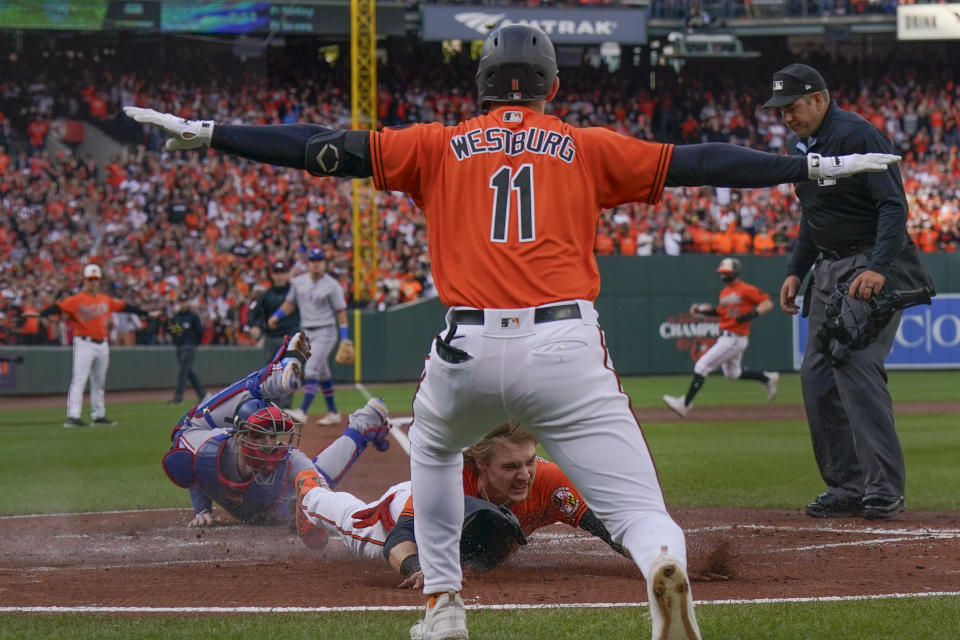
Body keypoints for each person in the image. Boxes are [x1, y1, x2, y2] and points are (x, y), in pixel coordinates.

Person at [125, 26, 898, 639]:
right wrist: (799, 170)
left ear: (481, 87)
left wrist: (215, 131)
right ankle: (661, 566)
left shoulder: (434, 142)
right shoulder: (586, 145)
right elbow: (701, 162)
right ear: (552, 87)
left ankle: (443, 607)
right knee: (637, 512)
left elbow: (319, 146)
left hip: (464, 344)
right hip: (566, 343)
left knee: (428, 448)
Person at [767, 63, 935, 521]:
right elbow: (812, 215)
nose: (785, 117)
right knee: (817, 378)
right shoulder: (803, 146)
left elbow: (892, 205)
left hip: (871, 260)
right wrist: (795, 271)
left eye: (792, 107)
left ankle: (884, 488)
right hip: (829, 266)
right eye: (779, 110)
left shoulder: (858, 135)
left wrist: (880, 267)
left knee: (856, 364)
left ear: (819, 99)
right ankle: (848, 486)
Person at [293, 422, 626, 588]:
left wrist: (649, 554)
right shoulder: (447, 478)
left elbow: (606, 526)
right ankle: (309, 492)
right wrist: (416, 568)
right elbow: (401, 537)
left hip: (451, 519)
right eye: (510, 467)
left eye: (529, 461)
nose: (525, 474)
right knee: (352, 521)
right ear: (481, 465)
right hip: (403, 520)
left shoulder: (548, 480)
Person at [162, 332, 391, 529]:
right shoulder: (211, 451)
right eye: (261, 434)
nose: (270, 442)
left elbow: (324, 496)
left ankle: (362, 425)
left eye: (274, 435)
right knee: (185, 430)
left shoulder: (289, 460)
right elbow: (192, 467)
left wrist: (315, 514)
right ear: (240, 437)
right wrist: (202, 511)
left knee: (311, 492)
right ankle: (273, 377)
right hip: (221, 446)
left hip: (274, 505)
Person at [32, 264, 158, 428]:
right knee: (79, 379)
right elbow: (58, 307)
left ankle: (99, 415)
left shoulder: (105, 299)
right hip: (84, 343)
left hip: (102, 344)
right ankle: (73, 415)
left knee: (99, 382)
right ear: (84, 280)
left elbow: (125, 307)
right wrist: (41, 314)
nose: (93, 282)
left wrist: (146, 313)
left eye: (96, 279)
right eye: (90, 279)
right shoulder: (76, 300)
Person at [662, 256, 779, 417]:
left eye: (726, 272)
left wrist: (750, 315)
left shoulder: (745, 289)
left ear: (735, 272)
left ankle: (685, 404)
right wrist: (701, 311)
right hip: (728, 336)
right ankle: (767, 378)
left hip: (734, 337)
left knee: (701, 366)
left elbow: (767, 303)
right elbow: (721, 312)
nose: (723, 275)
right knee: (733, 374)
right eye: (722, 272)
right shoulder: (725, 292)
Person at [267, 248, 348, 425]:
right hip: (307, 332)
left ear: (324, 263)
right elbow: (290, 304)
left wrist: (345, 338)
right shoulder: (298, 282)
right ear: (308, 262)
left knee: (311, 370)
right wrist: (276, 316)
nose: (316, 263)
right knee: (323, 373)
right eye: (313, 260)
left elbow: (341, 312)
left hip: (325, 330)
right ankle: (333, 412)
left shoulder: (332, 285)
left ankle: (302, 411)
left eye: (319, 260)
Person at [247, 258, 300, 411]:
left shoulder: (294, 292)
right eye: (276, 272)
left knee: (290, 371)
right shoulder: (266, 295)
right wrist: (254, 326)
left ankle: (286, 407)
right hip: (272, 338)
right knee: (272, 373)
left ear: (287, 273)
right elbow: (253, 313)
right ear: (272, 274)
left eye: (282, 272)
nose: (279, 276)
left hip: (290, 338)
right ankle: (273, 407)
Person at [167, 293, 207, 405]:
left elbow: (199, 332)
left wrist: (195, 344)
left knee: (183, 372)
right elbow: (172, 330)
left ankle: (178, 398)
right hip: (179, 346)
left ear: (187, 302)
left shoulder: (193, 316)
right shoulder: (177, 316)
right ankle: (203, 395)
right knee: (188, 372)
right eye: (181, 302)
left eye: (184, 301)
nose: (183, 304)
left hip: (189, 346)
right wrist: (178, 333)